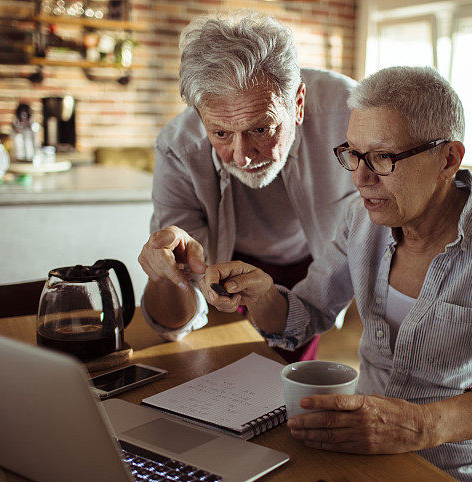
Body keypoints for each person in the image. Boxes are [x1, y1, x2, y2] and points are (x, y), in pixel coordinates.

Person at [198, 66, 472, 482]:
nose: (360, 178)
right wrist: (263, 297)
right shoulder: (360, 220)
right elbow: (309, 310)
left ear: (449, 159)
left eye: (382, 158)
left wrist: (422, 425)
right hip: (365, 449)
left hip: (463, 471)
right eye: (352, 154)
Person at [137, 12, 357, 361]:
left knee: (285, 378)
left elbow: (328, 291)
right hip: (229, 256)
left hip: (313, 257)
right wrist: (167, 276)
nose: (242, 157)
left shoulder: (353, 117)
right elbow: (173, 323)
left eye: (261, 129)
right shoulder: (179, 146)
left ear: (298, 104)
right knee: (215, 365)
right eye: (221, 133)